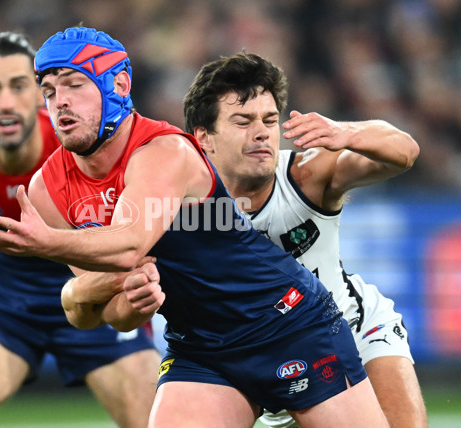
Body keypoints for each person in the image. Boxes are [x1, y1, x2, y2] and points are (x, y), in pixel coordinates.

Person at [0, 27, 389, 428]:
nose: (59, 101)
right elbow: (110, 316)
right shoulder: (47, 187)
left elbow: (130, 246)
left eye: (73, 84)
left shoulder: (163, 150)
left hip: (288, 324)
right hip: (200, 347)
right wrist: (126, 300)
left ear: (118, 85)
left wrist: (48, 245)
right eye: (49, 90)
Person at [0, 32, 160, 428]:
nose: (7, 102)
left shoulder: (81, 141)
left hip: (92, 287)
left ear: (39, 93)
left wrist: (120, 295)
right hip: (1, 301)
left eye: (19, 86)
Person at [182, 52, 427, 428]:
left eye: (269, 120)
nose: (261, 132)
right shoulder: (183, 205)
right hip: (248, 354)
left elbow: (406, 153)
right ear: (204, 137)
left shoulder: (306, 175)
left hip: (352, 332)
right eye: (243, 121)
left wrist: (348, 134)